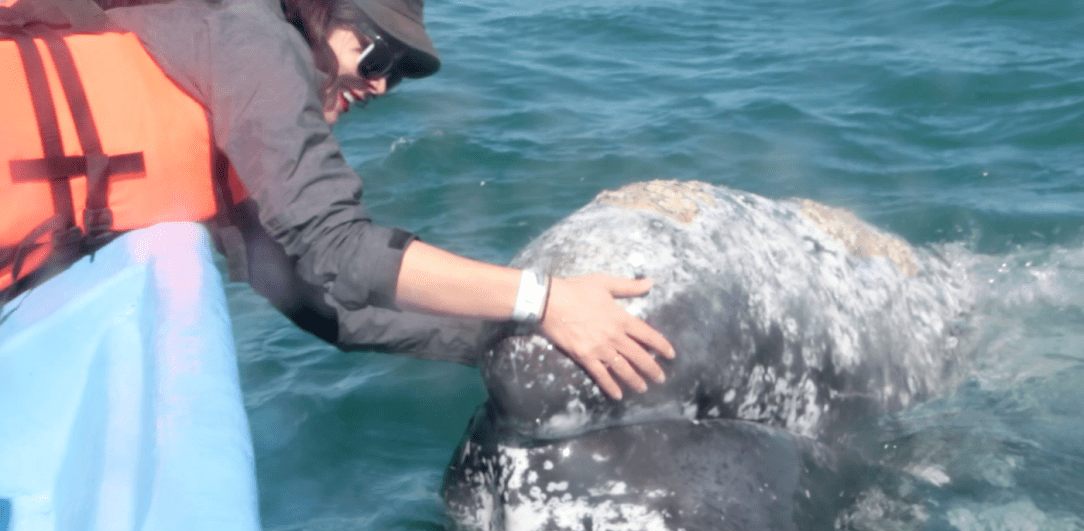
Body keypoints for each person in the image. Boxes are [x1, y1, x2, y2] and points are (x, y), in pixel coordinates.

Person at [0, 0, 675, 400]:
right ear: (317, 10)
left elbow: (327, 308)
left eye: (402, 75)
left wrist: (506, 342)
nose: (381, 85)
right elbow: (340, 248)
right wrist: (546, 300)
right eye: (378, 55)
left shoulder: (225, 118)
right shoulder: (251, 33)